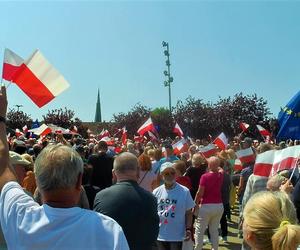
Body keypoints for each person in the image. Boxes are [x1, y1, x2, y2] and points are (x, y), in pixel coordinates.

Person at [0, 86, 129, 250]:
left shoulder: (20, 218)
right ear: (79, 182)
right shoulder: (108, 231)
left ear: (37, 182)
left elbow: (3, 166)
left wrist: (0, 118)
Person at [94, 152, 159, 250]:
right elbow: (153, 234)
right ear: (138, 171)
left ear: (113, 173)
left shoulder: (101, 196)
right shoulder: (151, 199)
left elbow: (97, 232)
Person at [153, 162, 195, 250]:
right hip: (160, 234)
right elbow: (152, 213)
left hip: (177, 235)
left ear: (176, 174)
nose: (170, 176)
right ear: (161, 175)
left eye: (172, 173)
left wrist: (188, 229)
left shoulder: (184, 191)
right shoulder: (156, 192)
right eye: (166, 173)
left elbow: (188, 213)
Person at [194, 156, 224, 250]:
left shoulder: (205, 176)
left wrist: (195, 204)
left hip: (206, 206)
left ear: (209, 165)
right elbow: (221, 169)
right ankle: (215, 248)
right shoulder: (221, 175)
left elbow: (200, 193)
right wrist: (217, 165)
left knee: (199, 230)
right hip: (219, 206)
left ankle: (198, 248)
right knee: (214, 230)